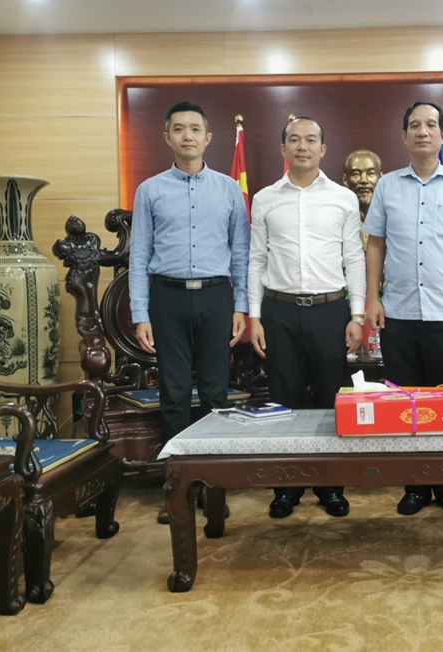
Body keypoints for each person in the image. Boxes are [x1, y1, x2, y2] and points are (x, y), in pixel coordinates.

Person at [363, 101, 443, 517]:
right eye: (415, 125)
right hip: (399, 312)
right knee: (406, 403)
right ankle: (415, 486)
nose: (423, 131)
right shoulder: (387, 186)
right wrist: (372, 297)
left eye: (431, 125)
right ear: (404, 136)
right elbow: (375, 244)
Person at [248, 116, 366, 519]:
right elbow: (256, 259)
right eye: (294, 140)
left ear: (322, 149)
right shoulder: (265, 198)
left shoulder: (343, 199)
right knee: (284, 399)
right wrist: (255, 316)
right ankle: (286, 487)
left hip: (329, 311)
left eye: (311, 140)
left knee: (332, 399)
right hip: (278, 310)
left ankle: (331, 485)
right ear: (283, 149)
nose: (303, 146)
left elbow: (354, 258)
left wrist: (357, 314)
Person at [129, 101, 250, 444]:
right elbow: (139, 256)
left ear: (207, 138)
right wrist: (141, 315)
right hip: (168, 299)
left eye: (195, 129)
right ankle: (177, 472)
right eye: (179, 129)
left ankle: (212, 473)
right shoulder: (149, 190)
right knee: (174, 391)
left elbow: (241, 253)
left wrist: (240, 306)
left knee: (216, 391)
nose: (187, 136)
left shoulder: (229, 189)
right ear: (167, 137)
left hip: (216, 297)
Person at [342, 149, 383, 249]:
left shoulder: (391, 218)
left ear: (381, 178)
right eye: (356, 174)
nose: (364, 180)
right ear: (345, 180)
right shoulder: (338, 219)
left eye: (371, 173)